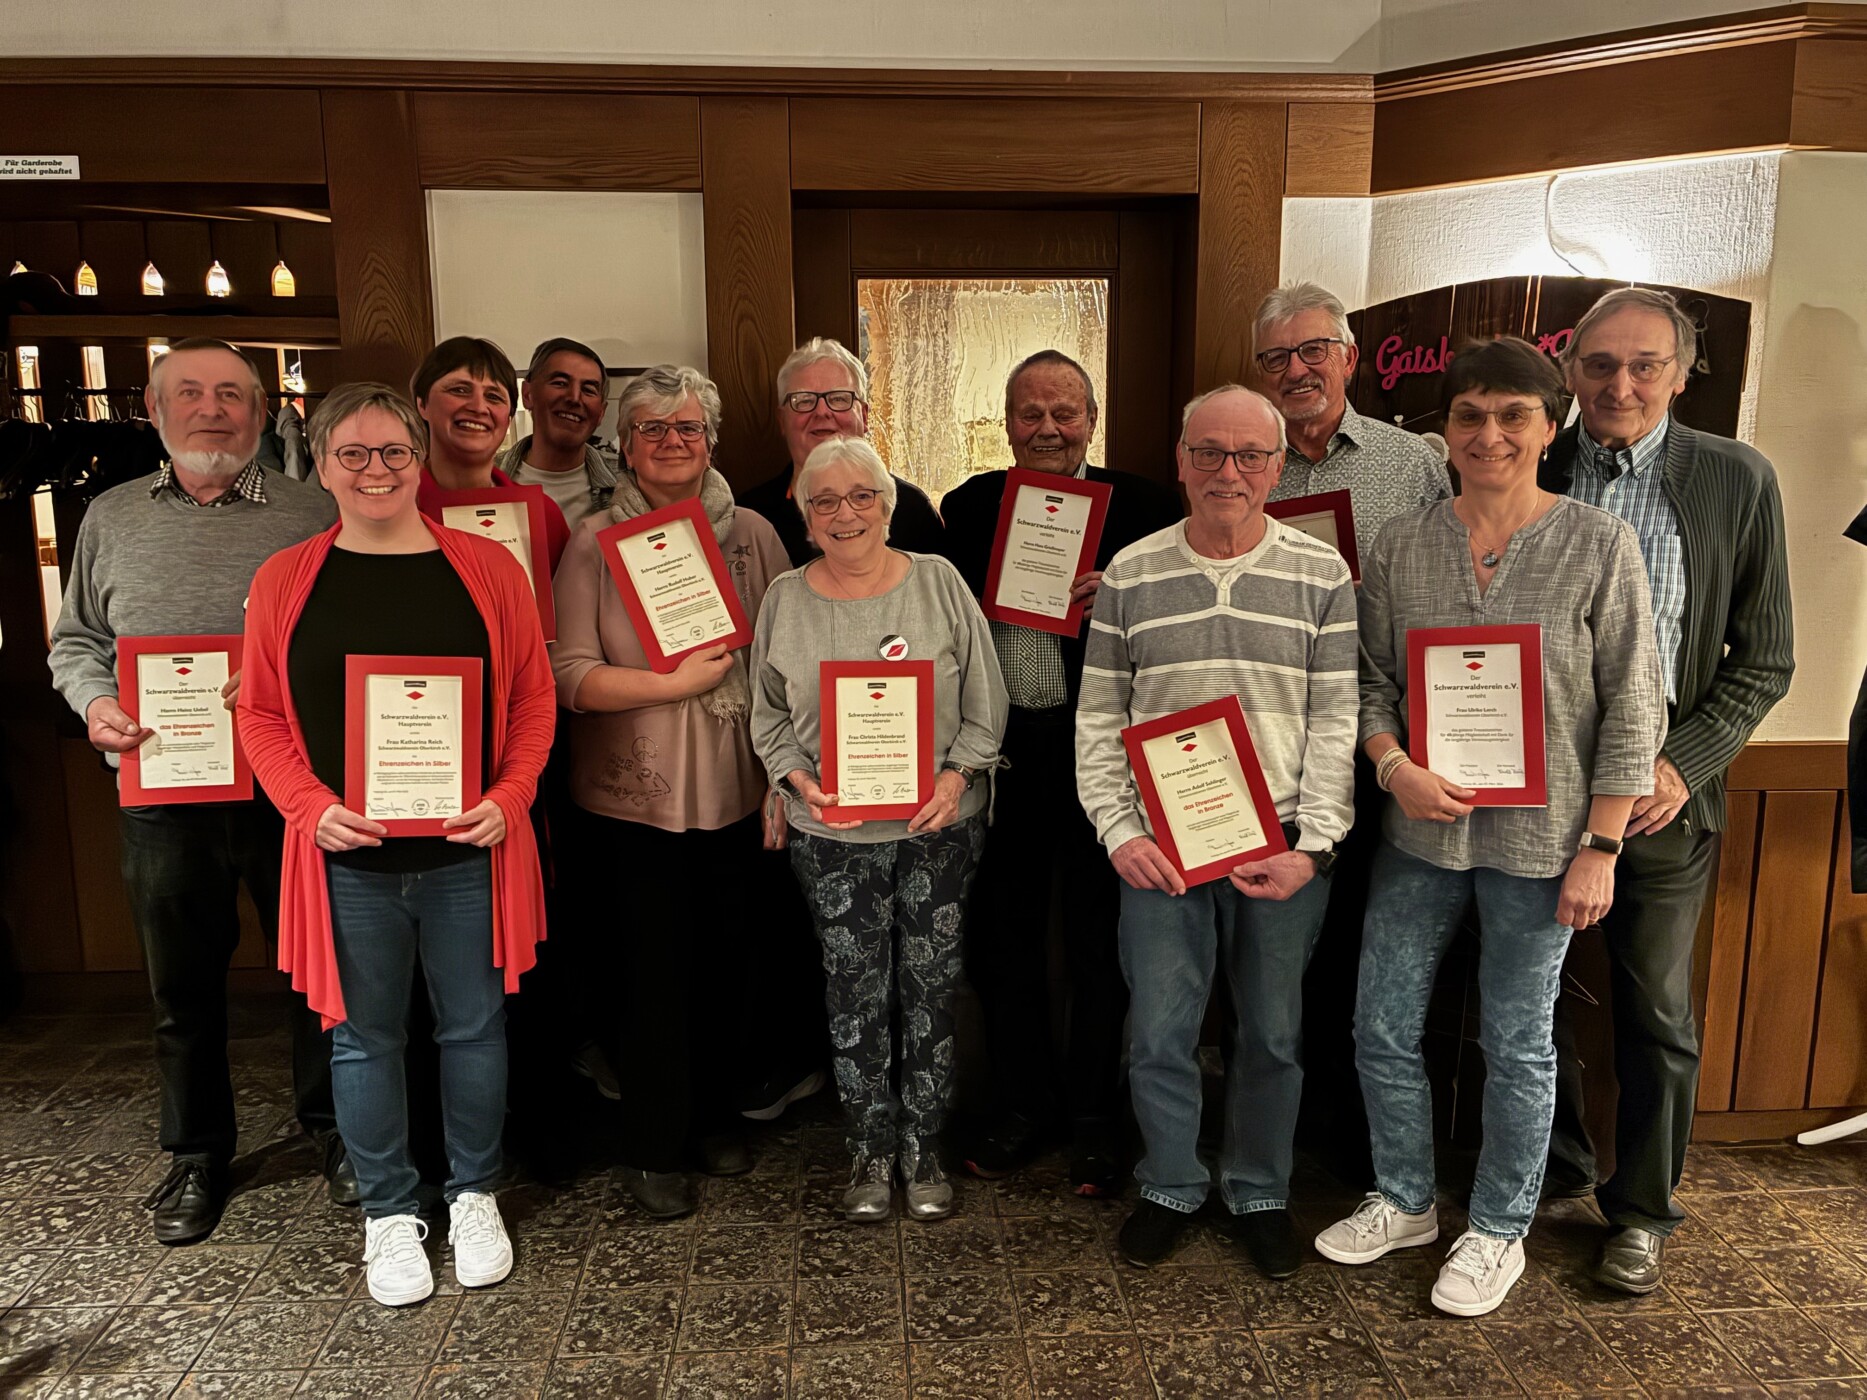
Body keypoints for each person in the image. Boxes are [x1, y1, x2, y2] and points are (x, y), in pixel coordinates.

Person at [1316, 337, 1665, 1318]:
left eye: (1512, 414)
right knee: (1380, 1024)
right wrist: (1392, 764)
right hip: (1419, 836)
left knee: (1517, 1043)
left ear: (1549, 427)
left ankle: (1498, 1225)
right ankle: (1402, 1194)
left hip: (1542, 845)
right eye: (1468, 415)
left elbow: (1632, 704)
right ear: (1445, 432)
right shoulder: (1402, 543)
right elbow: (1372, 678)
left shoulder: (1599, 543)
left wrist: (1600, 846)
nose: (1489, 433)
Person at [238, 381, 555, 1307]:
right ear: (322, 463)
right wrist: (304, 804)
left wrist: (511, 793)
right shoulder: (285, 579)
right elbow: (259, 715)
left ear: (419, 460)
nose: (376, 471)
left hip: (468, 855)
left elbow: (533, 699)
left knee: (474, 1030)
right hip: (346, 862)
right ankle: (387, 1213)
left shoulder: (489, 571)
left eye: (394, 454)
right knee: (363, 1041)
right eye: (354, 454)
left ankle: (473, 1194)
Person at [46, 337, 349, 1245]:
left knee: (317, 976)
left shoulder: (314, 513)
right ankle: (196, 1153)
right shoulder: (109, 515)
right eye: (191, 394)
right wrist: (97, 705)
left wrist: (280, 686)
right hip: (163, 791)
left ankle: (334, 1132)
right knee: (181, 988)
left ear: (261, 413)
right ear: (153, 408)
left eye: (231, 395)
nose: (212, 409)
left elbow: (341, 646)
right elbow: (76, 643)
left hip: (288, 789)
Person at [1541, 288, 1794, 1292]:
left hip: (1662, 807)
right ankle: (1550, 1170)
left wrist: (1679, 762)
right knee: (1530, 1001)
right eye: (1599, 363)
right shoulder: (1531, 461)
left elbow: (1763, 659)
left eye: (1644, 364)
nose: (1619, 383)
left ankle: (1640, 1208)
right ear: (1568, 369)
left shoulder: (1736, 478)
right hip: (1538, 796)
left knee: (1654, 1010)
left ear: (1681, 374)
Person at [1076, 385, 1356, 1277]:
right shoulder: (1130, 574)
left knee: (1271, 1032)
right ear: (1181, 459)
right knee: (1158, 1030)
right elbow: (1097, 722)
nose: (1226, 473)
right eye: (1208, 453)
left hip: (1278, 843)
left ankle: (1259, 1187)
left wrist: (1312, 846)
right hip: (1157, 847)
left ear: (1278, 467)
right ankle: (1168, 1182)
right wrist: (1120, 832)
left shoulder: (1322, 576)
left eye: (1248, 456)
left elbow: (1335, 722)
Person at [935, 349, 1182, 1194]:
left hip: (1104, 757)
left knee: (1097, 943)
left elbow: (1184, 618)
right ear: (1006, 422)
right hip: (1001, 755)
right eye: (1029, 413)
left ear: (1091, 419)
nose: (1046, 429)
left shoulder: (1147, 506)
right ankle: (1020, 1104)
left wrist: (1124, 592)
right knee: (1000, 941)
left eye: (1063, 413)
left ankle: (1092, 1118)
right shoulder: (967, 507)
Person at [550, 364, 791, 1219]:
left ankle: (713, 1116)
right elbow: (568, 674)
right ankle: (652, 1142)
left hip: (739, 785)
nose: (671, 443)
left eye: (687, 427)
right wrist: (671, 684)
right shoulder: (588, 542)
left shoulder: (756, 534)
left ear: (712, 441)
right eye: (651, 429)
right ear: (624, 446)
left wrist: (785, 775)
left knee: (730, 960)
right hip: (632, 797)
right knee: (647, 972)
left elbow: (784, 664)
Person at [751, 435, 1007, 1223]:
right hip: (831, 838)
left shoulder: (938, 583)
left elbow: (986, 705)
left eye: (861, 495)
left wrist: (956, 775)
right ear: (803, 517)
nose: (844, 513)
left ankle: (923, 1147)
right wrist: (795, 780)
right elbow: (766, 715)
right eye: (822, 500)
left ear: (888, 504)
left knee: (929, 987)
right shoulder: (785, 599)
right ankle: (868, 1149)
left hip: (937, 826)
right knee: (853, 992)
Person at [1252, 280, 1453, 1184]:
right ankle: (1292, 1134)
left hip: (1387, 743)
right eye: (1275, 358)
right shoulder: (1243, 461)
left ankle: (1362, 1145)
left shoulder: (1411, 463)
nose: (1295, 371)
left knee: (1374, 957)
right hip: (1276, 746)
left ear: (1349, 356)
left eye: (1312, 351)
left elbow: (1446, 589)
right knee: (1292, 949)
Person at [738, 337, 945, 566]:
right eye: (804, 400)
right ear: (782, 421)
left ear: (864, 417)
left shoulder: (913, 511)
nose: (822, 412)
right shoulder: (750, 518)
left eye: (838, 399)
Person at [411, 336, 570, 573]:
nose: (477, 407)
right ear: (422, 404)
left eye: (494, 396)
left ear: (508, 419)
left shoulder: (544, 517)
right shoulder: (389, 511)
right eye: (459, 390)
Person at [498, 336, 619, 527]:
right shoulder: (485, 480)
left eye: (588, 390)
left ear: (601, 412)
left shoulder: (628, 481)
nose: (574, 398)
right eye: (560, 383)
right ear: (527, 394)